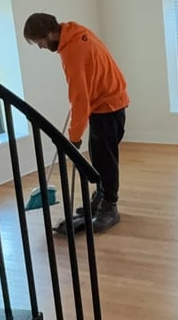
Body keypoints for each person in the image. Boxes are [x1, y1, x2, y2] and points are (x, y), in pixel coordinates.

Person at [23, 13, 129, 233]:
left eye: (39, 41)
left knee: (105, 160)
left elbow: (79, 97)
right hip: (108, 102)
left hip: (107, 106)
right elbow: (82, 91)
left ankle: (110, 207)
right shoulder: (76, 33)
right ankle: (101, 198)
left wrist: (73, 137)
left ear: (50, 34)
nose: (41, 47)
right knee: (99, 156)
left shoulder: (72, 51)